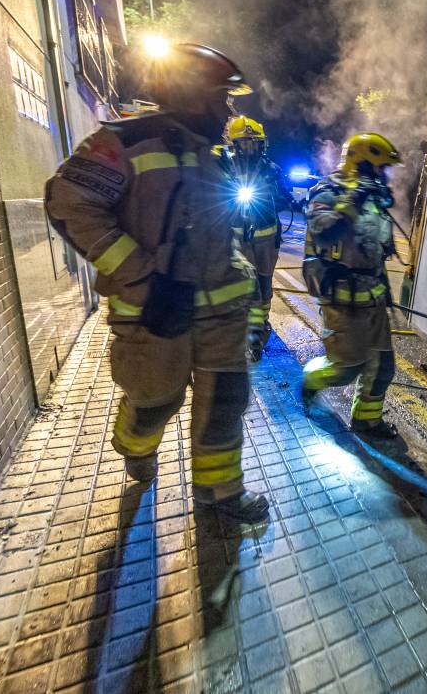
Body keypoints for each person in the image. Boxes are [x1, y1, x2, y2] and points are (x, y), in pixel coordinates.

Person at [45, 43, 269, 523]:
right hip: (154, 313)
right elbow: (69, 202)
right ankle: (132, 441)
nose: (228, 110)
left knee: (225, 404)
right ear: (190, 95)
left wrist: (249, 299)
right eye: (221, 98)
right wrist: (140, 276)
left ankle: (221, 496)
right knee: (154, 402)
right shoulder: (125, 143)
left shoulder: (213, 153)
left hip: (220, 314)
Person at [300, 133, 402, 438]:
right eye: (380, 168)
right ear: (363, 163)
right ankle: (310, 381)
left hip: (372, 299)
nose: (384, 175)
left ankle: (366, 422)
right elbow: (324, 231)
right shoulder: (327, 192)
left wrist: (386, 291)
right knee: (346, 368)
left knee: (382, 368)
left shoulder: (373, 199)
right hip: (341, 300)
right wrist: (353, 198)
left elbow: (376, 251)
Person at [222, 115, 287, 361]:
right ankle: (247, 330)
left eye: (254, 143)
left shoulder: (271, 169)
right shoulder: (225, 167)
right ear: (235, 145)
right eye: (245, 143)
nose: (250, 147)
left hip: (267, 240)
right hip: (239, 240)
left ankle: (261, 325)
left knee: (264, 284)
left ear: (261, 144)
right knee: (244, 286)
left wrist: (273, 198)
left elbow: (284, 197)